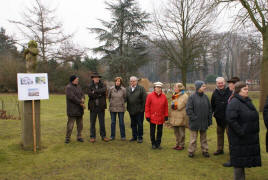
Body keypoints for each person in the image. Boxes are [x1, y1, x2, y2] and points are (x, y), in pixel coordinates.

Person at [226, 81, 261, 180]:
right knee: (238, 162)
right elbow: (231, 119)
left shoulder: (246, 100)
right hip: (239, 138)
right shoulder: (234, 102)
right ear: (238, 91)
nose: (247, 91)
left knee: (242, 161)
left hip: (247, 138)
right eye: (245, 89)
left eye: (247, 89)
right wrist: (241, 132)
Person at [186, 80, 212, 158]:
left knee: (204, 138)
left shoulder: (206, 97)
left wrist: (209, 120)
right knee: (193, 139)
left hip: (204, 122)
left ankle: (205, 151)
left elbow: (209, 109)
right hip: (194, 122)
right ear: (198, 87)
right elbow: (188, 109)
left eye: (204, 86)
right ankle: (191, 151)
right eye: (203, 86)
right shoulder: (192, 97)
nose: (205, 87)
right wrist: (194, 118)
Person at [211, 77, 232, 155]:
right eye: (218, 83)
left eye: (221, 83)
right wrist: (214, 112)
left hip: (228, 118)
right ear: (216, 84)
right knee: (219, 134)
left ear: (224, 83)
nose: (220, 84)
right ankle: (220, 149)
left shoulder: (230, 91)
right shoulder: (215, 93)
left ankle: (232, 150)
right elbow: (212, 104)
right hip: (219, 118)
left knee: (230, 135)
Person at [223, 76, 240, 167]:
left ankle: (234, 160)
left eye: (230, 83)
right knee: (232, 142)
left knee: (234, 142)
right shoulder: (232, 94)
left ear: (235, 85)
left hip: (234, 123)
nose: (228, 85)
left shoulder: (237, 95)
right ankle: (234, 159)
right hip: (231, 122)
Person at [145, 82, 168, 149]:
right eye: (157, 87)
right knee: (152, 130)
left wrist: (166, 115)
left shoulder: (164, 96)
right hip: (152, 116)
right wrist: (147, 115)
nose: (158, 89)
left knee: (160, 131)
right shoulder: (150, 96)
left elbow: (166, 106)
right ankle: (153, 143)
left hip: (161, 116)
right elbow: (147, 106)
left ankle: (158, 143)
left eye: (160, 87)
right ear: (154, 88)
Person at [87, 72, 109, 142]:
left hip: (101, 107)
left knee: (102, 122)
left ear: (99, 78)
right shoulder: (89, 85)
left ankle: (103, 136)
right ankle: (92, 137)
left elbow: (104, 90)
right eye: (95, 77)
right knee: (92, 122)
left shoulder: (103, 85)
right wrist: (99, 94)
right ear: (93, 78)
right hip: (93, 107)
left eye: (98, 77)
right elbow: (90, 95)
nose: (97, 79)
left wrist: (95, 91)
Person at [65, 75, 85, 143]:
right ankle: (67, 138)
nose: (78, 80)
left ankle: (79, 137)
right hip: (72, 110)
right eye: (77, 79)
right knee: (70, 125)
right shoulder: (68, 87)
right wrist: (80, 102)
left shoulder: (79, 86)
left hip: (80, 110)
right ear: (73, 80)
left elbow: (82, 94)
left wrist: (83, 98)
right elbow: (72, 97)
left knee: (80, 125)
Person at [126, 76, 147, 143]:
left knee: (140, 124)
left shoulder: (141, 89)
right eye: (131, 81)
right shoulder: (128, 89)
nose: (132, 82)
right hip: (131, 110)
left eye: (134, 81)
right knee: (133, 124)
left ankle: (140, 137)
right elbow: (126, 98)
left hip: (139, 111)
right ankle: (134, 137)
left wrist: (142, 109)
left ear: (137, 81)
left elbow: (145, 100)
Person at [169, 83, 188, 150]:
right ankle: (177, 144)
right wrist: (173, 106)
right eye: (174, 87)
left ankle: (181, 145)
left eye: (176, 87)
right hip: (174, 116)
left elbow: (179, 106)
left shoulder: (185, 96)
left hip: (181, 116)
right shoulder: (175, 95)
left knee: (181, 132)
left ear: (180, 88)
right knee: (176, 132)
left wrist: (174, 105)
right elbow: (172, 104)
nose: (174, 88)